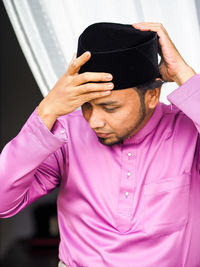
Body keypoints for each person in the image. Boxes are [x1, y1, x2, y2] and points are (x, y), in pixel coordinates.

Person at [0, 21, 199, 267]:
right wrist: (47, 110)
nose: (94, 121)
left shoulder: (190, 129)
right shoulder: (67, 132)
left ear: (152, 96)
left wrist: (183, 74)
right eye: (86, 105)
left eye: (110, 107)